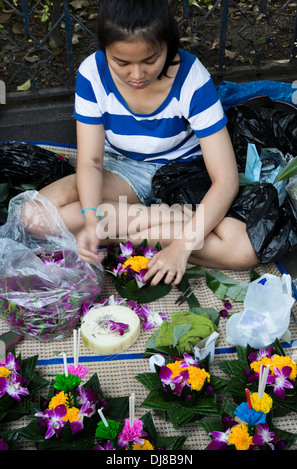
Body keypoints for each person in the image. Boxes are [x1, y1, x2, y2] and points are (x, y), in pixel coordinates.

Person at [38, 0, 259, 287]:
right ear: (104, 50)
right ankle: (168, 220)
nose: (137, 75)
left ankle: (165, 228)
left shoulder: (192, 77)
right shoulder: (92, 73)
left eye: (150, 60)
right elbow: (91, 162)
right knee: (36, 215)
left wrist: (181, 247)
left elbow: (226, 179)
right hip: (123, 171)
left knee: (244, 248)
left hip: (181, 176)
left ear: (169, 45)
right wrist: (92, 221)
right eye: (122, 63)